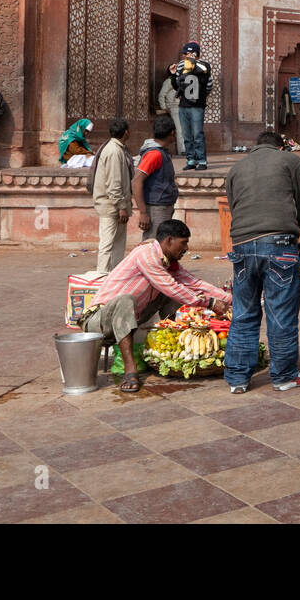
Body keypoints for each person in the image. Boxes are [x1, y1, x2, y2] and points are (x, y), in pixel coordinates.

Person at [82, 220, 231, 392]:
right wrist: (210, 302)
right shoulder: (146, 255)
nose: (186, 248)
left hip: (132, 317)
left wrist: (229, 299)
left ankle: (173, 346)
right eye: (183, 243)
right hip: (98, 321)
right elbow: (172, 287)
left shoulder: (168, 262)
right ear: (169, 240)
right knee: (128, 299)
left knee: (173, 294)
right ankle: (130, 371)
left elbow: (194, 283)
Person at [224, 129, 300, 393]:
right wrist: (288, 229)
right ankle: (284, 376)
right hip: (279, 245)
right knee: (280, 313)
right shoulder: (291, 161)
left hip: (241, 246)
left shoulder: (236, 169)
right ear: (280, 147)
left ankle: (238, 379)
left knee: (243, 313)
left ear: (255, 147)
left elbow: (233, 206)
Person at [92, 117, 132, 274]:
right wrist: (121, 206)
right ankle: (102, 275)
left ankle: (115, 274)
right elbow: (114, 183)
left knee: (117, 244)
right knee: (108, 244)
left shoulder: (115, 148)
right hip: (111, 206)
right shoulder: (114, 151)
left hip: (113, 205)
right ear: (126, 132)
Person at [132, 114, 178, 241]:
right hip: (156, 207)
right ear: (172, 133)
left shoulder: (161, 152)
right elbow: (137, 181)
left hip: (162, 205)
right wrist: (143, 212)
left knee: (161, 244)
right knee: (153, 245)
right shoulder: (155, 154)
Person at [170, 42, 212, 170]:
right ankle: (191, 159)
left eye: (187, 53)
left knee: (197, 133)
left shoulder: (204, 65)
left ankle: (202, 161)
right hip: (183, 104)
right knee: (186, 134)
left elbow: (207, 84)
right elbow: (177, 86)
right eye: (184, 54)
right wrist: (173, 74)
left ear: (195, 53)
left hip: (197, 105)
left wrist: (193, 64)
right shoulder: (182, 65)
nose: (185, 56)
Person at [157, 71, 184, 155]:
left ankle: (186, 150)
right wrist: (164, 108)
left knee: (185, 129)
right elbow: (161, 95)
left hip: (183, 107)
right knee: (180, 130)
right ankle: (182, 151)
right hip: (174, 107)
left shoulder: (181, 80)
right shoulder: (169, 81)